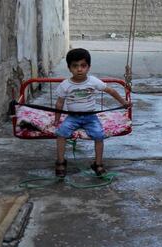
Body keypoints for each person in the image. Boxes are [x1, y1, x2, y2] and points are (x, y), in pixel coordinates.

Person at [51, 48, 129, 178]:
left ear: (89, 67)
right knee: (61, 133)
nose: (79, 69)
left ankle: (97, 164)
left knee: (99, 135)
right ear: (69, 68)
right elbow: (59, 103)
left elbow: (111, 91)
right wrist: (56, 120)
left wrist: (123, 102)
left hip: (90, 117)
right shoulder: (65, 85)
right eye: (75, 66)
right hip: (73, 117)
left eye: (83, 66)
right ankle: (60, 161)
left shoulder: (93, 81)